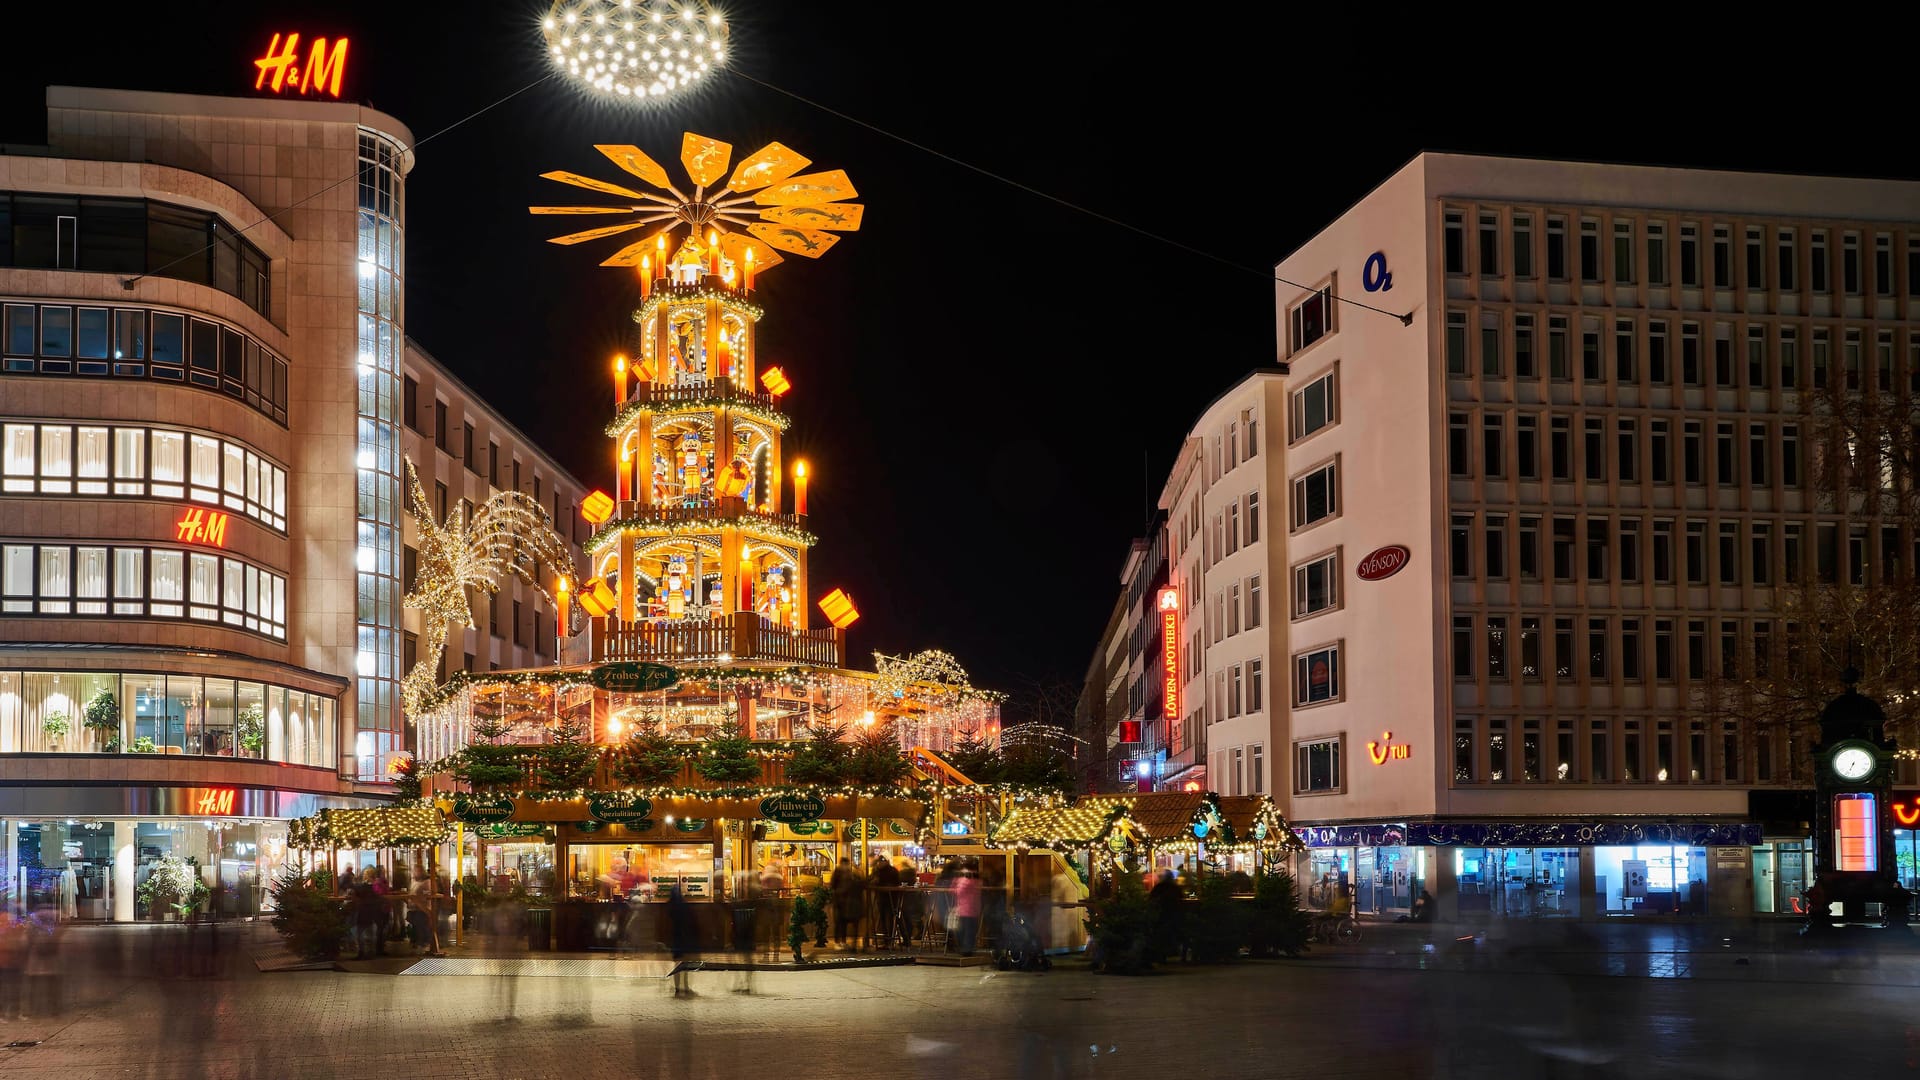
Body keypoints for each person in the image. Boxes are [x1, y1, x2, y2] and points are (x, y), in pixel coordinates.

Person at [666, 883, 697, 997]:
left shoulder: (669, 906)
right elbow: (690, 921)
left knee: (677, 964)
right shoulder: (684, 905)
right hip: (684, 937)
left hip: (675, 937)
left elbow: (666, 923)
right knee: (685, 963)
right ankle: (686, 986)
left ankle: (677, 987)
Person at [1147, 869, 1183, 962]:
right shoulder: (1175, 888)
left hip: (1161, 916)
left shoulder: (1159, 887)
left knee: (1161, 935)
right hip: (1174, 915)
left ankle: (1161, 955)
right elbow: (1180, 899)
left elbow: (1151, 899)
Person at [829, 856, 863, 949]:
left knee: (843, 922)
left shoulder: (849, 874)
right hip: (839, 901)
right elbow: (833, 886)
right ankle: (837, 942)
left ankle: (843, 942)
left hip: (845, 902)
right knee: (838, 922)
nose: (846, 866)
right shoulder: (838, 873)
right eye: (845, 864)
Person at [868, 856, 901, 949]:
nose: (880, 863)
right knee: (885, 919)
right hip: (885, 898)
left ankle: (888, 940)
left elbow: (895, 883)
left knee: (887, 919)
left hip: (887, 898)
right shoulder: (881, 871)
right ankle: (887, 940)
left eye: (881, 862)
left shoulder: (884, 871)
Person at [951, 862, 982, 955]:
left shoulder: (964, 880)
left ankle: (965, 949)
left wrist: (956, 882)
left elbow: (957, 891)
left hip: (963, 909)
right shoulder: (977, 880)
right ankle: (968, 949)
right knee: (970, 930)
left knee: (964, 930)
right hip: (974, 909)